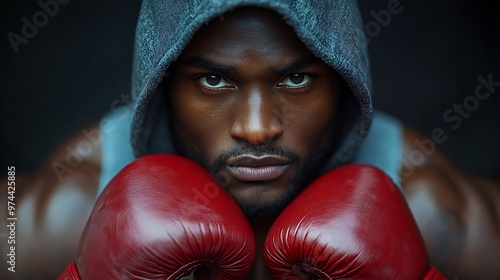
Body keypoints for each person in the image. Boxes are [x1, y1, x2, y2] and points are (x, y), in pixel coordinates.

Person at [2, 0, 499, 279]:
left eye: (297, 80)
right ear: (161, 86)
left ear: (345, 83)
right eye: (214, 81)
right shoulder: (68, 207)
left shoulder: (431, 210)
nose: (258, 129)